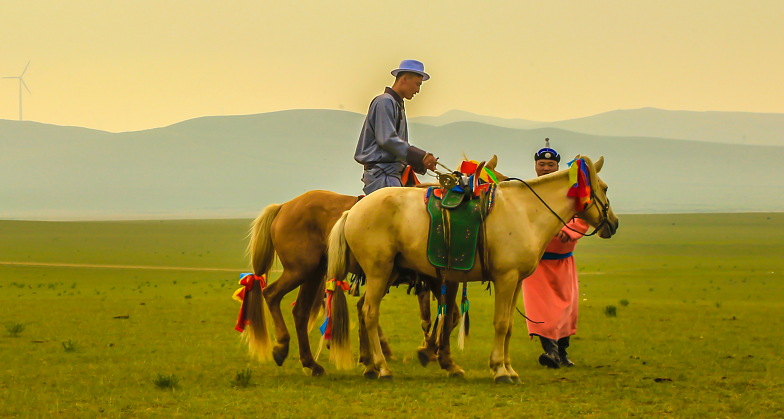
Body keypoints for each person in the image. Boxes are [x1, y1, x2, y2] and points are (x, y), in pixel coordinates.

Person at [523, 138, 589, 368]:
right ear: (535, 167)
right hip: (537, 262)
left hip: (564, 262)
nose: (546, 168)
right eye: (542, 164)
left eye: (550, 165)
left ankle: (562, 352)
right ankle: (549, 352)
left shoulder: (570, 192)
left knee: (566, 309)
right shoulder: (527, 192)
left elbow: (582, 216)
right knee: (541, 309)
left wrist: (569, 231)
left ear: (558, 168)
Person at [355, 59, 438, 195]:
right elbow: (387, 139)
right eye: (417, 84)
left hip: (394, 174)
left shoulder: (397, 105)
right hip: (383, 176)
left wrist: (421, 162)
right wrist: (421, 157)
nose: (418, 90)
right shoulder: (385, 102)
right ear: (404, 79)